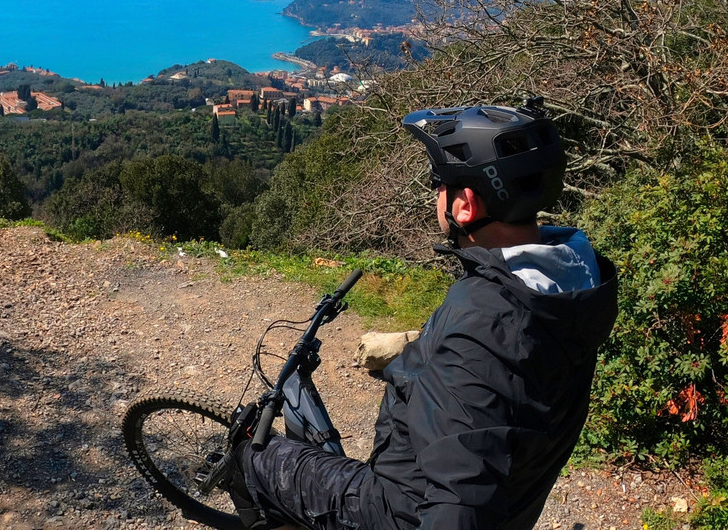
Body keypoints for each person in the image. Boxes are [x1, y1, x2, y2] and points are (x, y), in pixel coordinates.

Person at [230, 99, 619, 529]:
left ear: (465, 205)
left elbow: (460, 506)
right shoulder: (571, 283)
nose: (436, 193)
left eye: (440, 182)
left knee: (254, 451)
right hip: (513, 503)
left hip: (396, 509)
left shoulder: (485, 325)